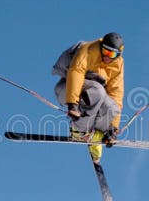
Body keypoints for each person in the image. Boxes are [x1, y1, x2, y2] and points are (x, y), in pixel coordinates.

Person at [52, 32, 125, 163]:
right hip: (65, 90)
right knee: (98, 90)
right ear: (101, 46)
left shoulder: (118, 65)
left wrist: (112, 128)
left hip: (88, 97)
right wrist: (72, 104)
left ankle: (96, 139)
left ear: (118, 54)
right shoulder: (90, 50)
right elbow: (76, 71)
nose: (107, 57)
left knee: (112, 108)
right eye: (105, 51)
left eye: (112, 54)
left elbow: (116, 93)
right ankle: (78, 131)